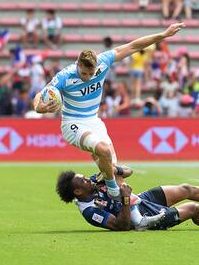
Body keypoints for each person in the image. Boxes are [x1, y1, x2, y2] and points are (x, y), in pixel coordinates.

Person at [33, 23, 186, 201]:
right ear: (77, 64)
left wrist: (163, 35)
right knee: (104, 153)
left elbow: (134, 46)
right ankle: (112, 192)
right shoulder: (65, 76)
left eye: (91, 73)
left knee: (114, 171)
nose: (88, 77)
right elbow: (39, 94)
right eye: (84, 73)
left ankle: (128, 214)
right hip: (73, 124)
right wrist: (39, 107)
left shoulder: (103, 61)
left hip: (95, 122)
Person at [56, 168, 199, 231]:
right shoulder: (90, 211)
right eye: (83, 180)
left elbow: (129, 172)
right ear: (79, 192)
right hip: (140, 217)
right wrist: (124, 199)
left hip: (140, 200)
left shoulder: (94, 182)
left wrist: (115, 171)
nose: (87, 179)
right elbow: (121, 226)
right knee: (194, 208)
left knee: (186, 189)